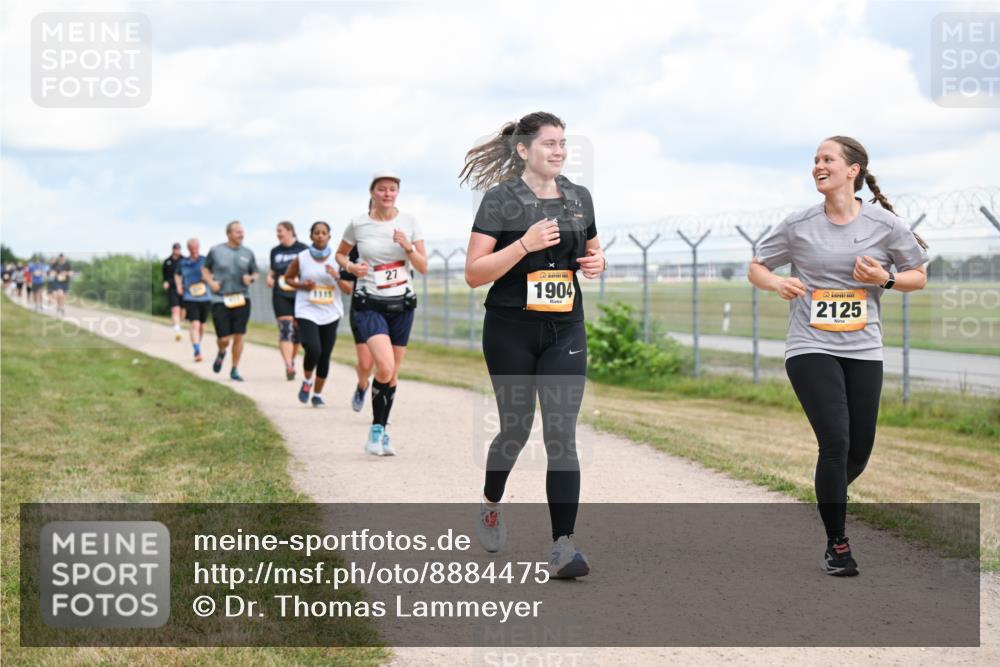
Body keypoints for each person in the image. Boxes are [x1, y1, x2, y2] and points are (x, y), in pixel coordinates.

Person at [748, 135, 929, 577]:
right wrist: (775, 284)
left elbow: (918, 276)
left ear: (853, 170)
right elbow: (757, 265)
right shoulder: (799, 223)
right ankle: (838, 544)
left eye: (826, 159)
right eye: (814, 160)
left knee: (859, 451)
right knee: (836, 441)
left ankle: (828, 495)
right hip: (810, 345)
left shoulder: (885, 224)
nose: (817, 166)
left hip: (864, 348)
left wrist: (885, 278)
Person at [460, 112, 606, 579]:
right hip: (510, 330)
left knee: (560, 435)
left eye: (563, 143)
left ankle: (563, 546)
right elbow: (474, 273)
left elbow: (593, 252)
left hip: (565, 328)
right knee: (516, 430)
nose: (559, 150)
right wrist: (523, 245)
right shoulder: (500, 200)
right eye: (549, 143)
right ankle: (490, 501)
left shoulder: (580, 198)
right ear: (524, 150)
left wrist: (597, 262)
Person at [335, 171, 427, 456]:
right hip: (369, 302)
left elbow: (423, 267)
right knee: (384, 367)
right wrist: (351, 268)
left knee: (393, 373)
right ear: (372, 192)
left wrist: (408, 247)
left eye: (392, 189)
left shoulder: (409, 222)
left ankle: (380, 431)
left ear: (397, 193)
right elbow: (340, 254)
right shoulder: (358, 223)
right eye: (382, 189)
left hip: (402, 304)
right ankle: (376, 430)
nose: (387, 194)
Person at [284, 222, 346, 407]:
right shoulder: (301, 258)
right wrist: (303, 286)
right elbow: (287, 278)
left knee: (325, 355)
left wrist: (336, 275)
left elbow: (348, 289)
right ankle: (307, 381)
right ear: (311, 236)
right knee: (313, 349)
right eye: (316, 233)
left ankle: (317, 394)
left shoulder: (338, 258)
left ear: (329, 236)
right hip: (307, 309)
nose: (320, 236)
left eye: (324, 233)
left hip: (331, 311)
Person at [203, 221, 259, 382]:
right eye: (238, 232)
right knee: (224, 339)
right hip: (220, 298)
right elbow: (205, 269)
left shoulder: (248, 252)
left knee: (239, 335)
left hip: (242, 298)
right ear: (229, 234)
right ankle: (221, 351)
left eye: (242, 232)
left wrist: (251, 278)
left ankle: (234, 369)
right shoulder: (216, 251)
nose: (241, 235)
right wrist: (211, 282)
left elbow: (255, 272)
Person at [268, 221, 309, 380]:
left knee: (297, 334)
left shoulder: (303, 248)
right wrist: (269, 277)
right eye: (277, 231)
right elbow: (273, 270)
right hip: (280, 294)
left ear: (291, 231)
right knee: (286, 329)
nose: (278, 234)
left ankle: (291, 359)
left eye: (281, 231)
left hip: (299, 295)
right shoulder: (275, 251)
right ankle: (289, 365)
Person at [339, 241, 374, 411]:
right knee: (366, 364)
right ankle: (362, 386)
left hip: (392, 310)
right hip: (362, 309)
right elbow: (347, 284)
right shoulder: (356, 247)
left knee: (387, 366)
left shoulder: (394, 244)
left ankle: (382, 414)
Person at [176, 238, 211, 362]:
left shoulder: (204, 260)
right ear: (188, 249)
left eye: (196, 247)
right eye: (192, 248)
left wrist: (206, 277)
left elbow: (212, 275)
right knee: (194, 324)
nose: (194, 250)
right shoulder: (183, 262)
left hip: (204, 296)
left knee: (202, 325)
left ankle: (197, 343)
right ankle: (197, 350)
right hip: (190, 297)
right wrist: (179, 285)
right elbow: (177, 274)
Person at [162, 243, 185, 340]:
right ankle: (177, 330)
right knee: (175, 309)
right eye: (175, 249)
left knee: (183, 311)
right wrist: (165, 282)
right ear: (173, 250)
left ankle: (179, 324)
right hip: (172, 287)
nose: (177, 251)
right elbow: (164, 275)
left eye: (178, 249)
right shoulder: (167, 261)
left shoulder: (184, 260)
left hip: (183, 287)